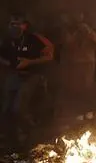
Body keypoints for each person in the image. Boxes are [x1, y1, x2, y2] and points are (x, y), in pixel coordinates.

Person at [0, 14, 55, 149]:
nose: (14, 27)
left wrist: (29, 62)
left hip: (33, 75)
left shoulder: (34, 39)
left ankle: (32, 134)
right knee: (6, 108)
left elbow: (49, 56)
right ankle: (11, 139)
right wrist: (9, 64)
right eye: (11, 24)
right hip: (14, 75)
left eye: (17, 24)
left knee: (18, 108)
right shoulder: (7, 40)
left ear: (25, 25)